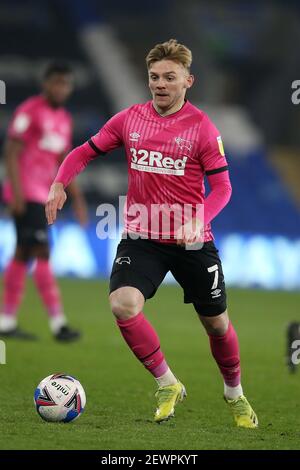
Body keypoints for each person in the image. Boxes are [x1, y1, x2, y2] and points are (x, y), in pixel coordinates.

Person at [46, 40, 258, 427]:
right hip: (142, 237)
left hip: (192, 240)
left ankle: (235, 393)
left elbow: (224, 188)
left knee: (217, 325)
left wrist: (199, 218)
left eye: (169, 77)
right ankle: (167, 383)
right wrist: (60, 182)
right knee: (123, 304)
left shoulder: (202, 128)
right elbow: (84, 151)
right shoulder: (129, 119)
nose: (160, 84)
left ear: (188, 81)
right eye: (154, 77)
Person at [0, 62, 88, 341]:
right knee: (42, 252)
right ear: (46, 84)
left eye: (65, 84)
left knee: (22, 253)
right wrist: (14, 193)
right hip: (26, 193)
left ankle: (6, 321)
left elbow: (65, 162)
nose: (61, 89)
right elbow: (11, 152)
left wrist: (77, 199)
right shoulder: (29, 110)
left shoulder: (64, 119)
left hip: (44, 194)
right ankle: (58, 324)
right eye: (56, 83)